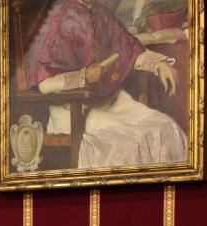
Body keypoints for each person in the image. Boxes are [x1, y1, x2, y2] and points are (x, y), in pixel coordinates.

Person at [22, 0, 188, 168]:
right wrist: (84, 76)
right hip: (75, 109)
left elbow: (131, 51)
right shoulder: (63, 20)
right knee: (128, 142)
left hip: (112, 102)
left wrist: (159, 63)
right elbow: (46, 84)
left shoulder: (102, 14)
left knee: (167, 129)